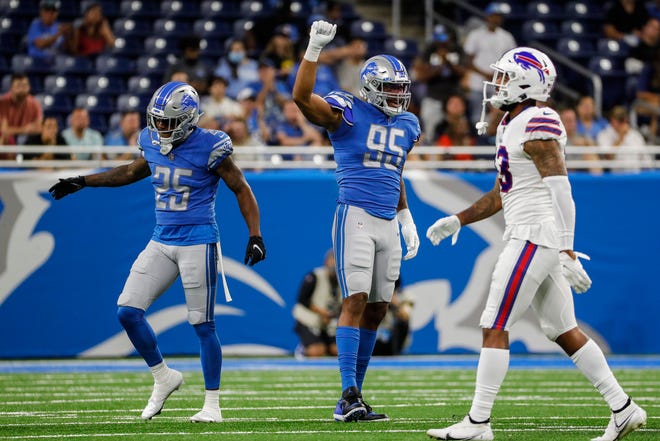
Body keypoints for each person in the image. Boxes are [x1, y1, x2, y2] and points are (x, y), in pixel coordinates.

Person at [424, 47, 647, 441]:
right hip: (532, 233)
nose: (498, 85)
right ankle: (623, 408)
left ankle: (477, 423)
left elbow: (563, 192)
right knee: (563, 329)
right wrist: (459, 218)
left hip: (534, 235)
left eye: (506, 77)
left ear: (528, 82)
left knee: (494, 323)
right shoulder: (512, 122)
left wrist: (566, 249)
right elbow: (501, 193)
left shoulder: (537, 121)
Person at [48, 81, 266, 423]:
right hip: (162, 239)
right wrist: (83, 180)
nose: (160, 127)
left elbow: (241, 188)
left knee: (203, 325)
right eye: (157, 120)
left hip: (198, 239)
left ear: (188, 118)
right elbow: (131, 171)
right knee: (127, 311)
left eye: (168, 121)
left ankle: (212, 405)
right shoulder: (150, 140)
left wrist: (255, 234)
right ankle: (164, 376)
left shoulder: (210, 145)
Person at [292, 20, 420, 423]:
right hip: (356, 216)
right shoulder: (346, 112)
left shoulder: (408, 124)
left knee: (379, 309)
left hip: (387, 221)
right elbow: (300, 97)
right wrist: (314, 49)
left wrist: (405, 215)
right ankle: (347, 394)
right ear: (369, 87)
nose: (398, 96)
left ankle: (356, 395)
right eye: (391, 88)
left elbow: (393, 172)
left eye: (402, 88)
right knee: (355, 300)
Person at [462, 2, 516, 126]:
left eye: (499, 16)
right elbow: (468, 60)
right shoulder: (475, 35)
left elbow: (511, 60)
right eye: (493, 15)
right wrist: (485, 74)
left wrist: (499, 75)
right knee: (476, 115)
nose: (496, 18)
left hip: (498, 82)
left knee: (498, 114)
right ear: (487, 16)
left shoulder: (506, 37)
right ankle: (477, 142)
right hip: (477, 82)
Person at [414, 25, 467, 144]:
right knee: (430, 130)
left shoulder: (457, 49)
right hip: (434, 96)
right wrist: (440, 66)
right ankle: (431, 155)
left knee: (459, 130)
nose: (441, 42)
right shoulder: (430, 50)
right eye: (438, 38)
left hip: (453, 98)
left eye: (443, 38)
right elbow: (421, 76)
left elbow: (463, 72)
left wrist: (448, 61)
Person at [293, 249, 343, 357]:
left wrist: (331, 316)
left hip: (328, 322)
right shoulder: (314, 276)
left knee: (338, 351)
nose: (335, 264)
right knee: (316, 351)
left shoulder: (342, 281)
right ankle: (303, 348)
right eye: (333, 260)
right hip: (309, 320)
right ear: (326, 262)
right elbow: (302, 300)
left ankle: (325, 346)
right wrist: (322, 312)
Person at [0, 73, 43, 157]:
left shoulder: (34, 103)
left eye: (25, 85)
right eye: (18, 85)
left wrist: (13, 130)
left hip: (27, 140)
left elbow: (38, 128)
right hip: (6, 140)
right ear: (11, 88)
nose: (22, 89)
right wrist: (25, 129)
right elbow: (4, 131)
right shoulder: (2, 103)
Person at [372, 278, 413, 356]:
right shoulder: (374, 295)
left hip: (393, 341)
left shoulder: (407, 297)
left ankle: (395, 354)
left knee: (403, 323)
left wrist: (396, 305)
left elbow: (405, 316)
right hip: (376, 338)